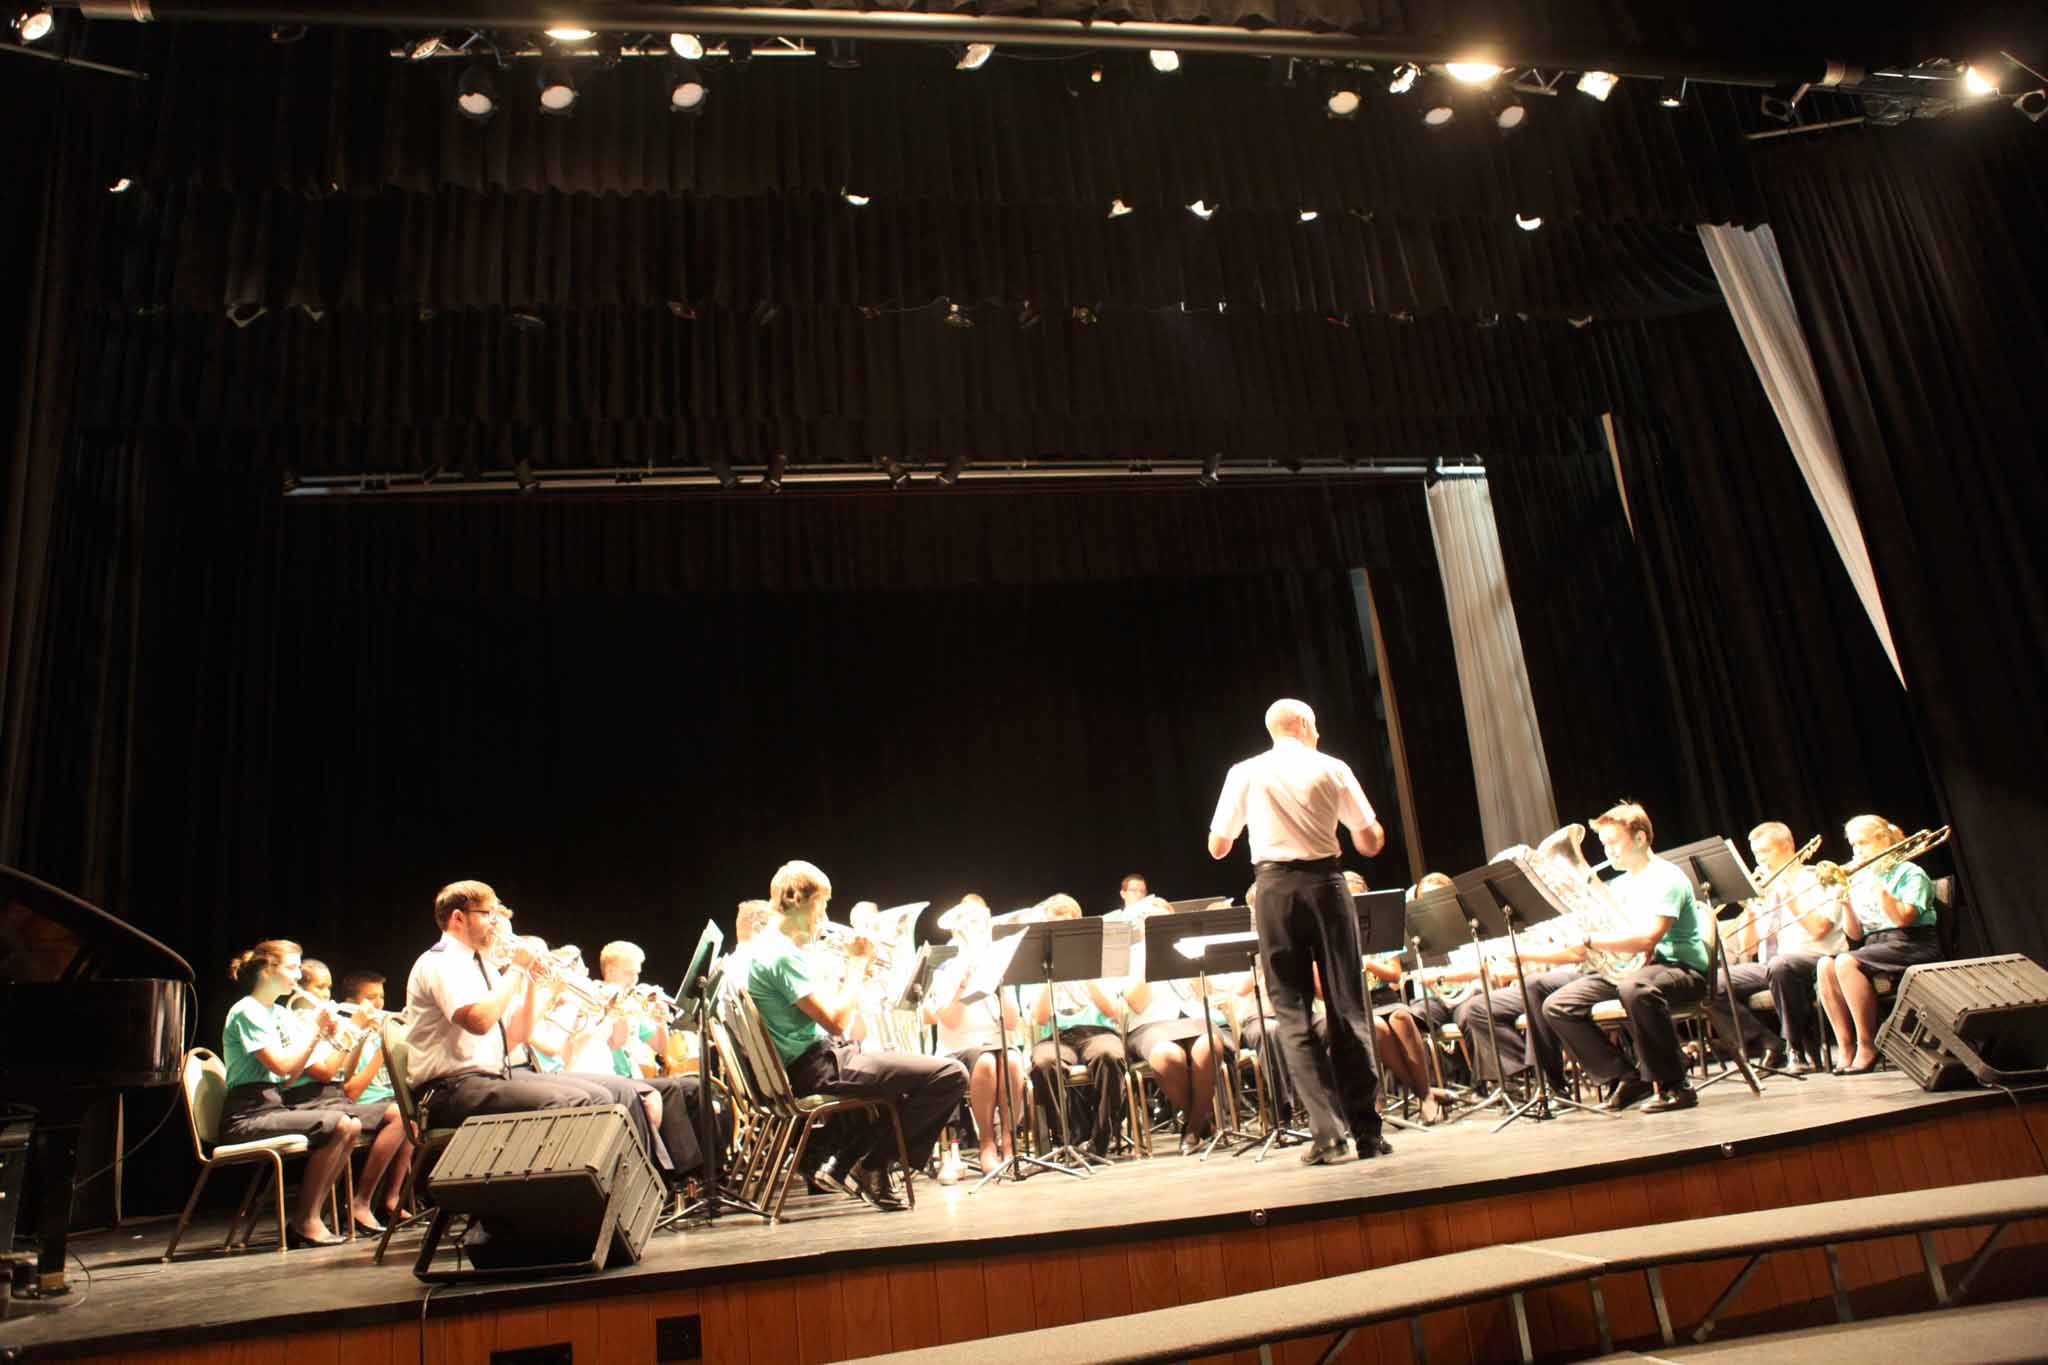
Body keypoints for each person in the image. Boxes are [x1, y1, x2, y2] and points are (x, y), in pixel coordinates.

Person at [1207, 698, 1387, 1166]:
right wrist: (1357, 830)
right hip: (1327, 886)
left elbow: (1218, 847)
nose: (1318, 734)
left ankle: (1327, 1135)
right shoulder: (1332, 767)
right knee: (1348, 1008)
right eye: (1316, 726)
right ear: (1305, 724)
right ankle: (1368, 1132)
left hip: (1274, 891)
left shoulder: (1245, 772)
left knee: (1291, 1013)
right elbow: (1370, 842)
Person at [746, 860, 968, 1209]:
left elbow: (827, 1012)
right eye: (821, 903)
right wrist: (858, 963)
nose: (823, 915)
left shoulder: (766, 948)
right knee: (950, 1074)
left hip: (818, 1059)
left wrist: (850, 973)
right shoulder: (781, 955)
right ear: (796, 899)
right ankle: (873, 1165)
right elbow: (837, 1021)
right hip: (816, 1067)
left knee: (912, 1080)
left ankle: (845, 1162)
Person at [401, 881, 665, 1166]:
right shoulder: (440, 962)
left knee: (608, 1095)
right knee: (571, 1103)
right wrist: (517, 968)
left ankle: (636, 1179)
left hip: (487, 1079)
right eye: (488, 914)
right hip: (448, 1090)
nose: (495, 922)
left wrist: (529, 980)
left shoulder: (482, 965)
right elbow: (479, 1022)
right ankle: (570, 1191)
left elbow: (519, 1033)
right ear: (458, 918)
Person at [1538, 803, 1710, 1113]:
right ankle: (1626, 1077)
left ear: (1640, 839)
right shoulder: (1618, 886)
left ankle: (1676, 1086)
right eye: (1604, 844)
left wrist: (1590, 939)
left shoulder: (1666, 877)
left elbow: (1647, 939)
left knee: (1636, 989)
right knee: (1557, 1005)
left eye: (1613, 843)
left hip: (1679, 967)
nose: (1608, 852)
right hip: (1635, 970)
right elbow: (1608, 932)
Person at [215, 940, 365, 1246]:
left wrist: (322, 1035)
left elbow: (289, 1076)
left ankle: (311, 1215)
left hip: (272, 1104)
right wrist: (315, 1029)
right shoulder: (246, 1010)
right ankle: (305, 1220)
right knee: (339, 1123)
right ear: (267, 969)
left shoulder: (280, 1013)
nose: (298, 976)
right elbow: (281, 1065)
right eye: (292, 968)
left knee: (352, 1125)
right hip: (245, 1113)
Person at [1707, 823, 1840, 1072]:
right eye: (1756, 853)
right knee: (1709, 984)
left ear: (1788, 847)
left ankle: (1795, 1048)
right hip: (1772, 965)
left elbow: (1819, 929)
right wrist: (1749, 908)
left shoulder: (1815, 877)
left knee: (1780, 965)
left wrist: (1785, 892)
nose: (1760, 859)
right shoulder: (1766, 890)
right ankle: (1768, 1043)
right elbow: (1747, 948)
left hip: (1816, 957)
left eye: (1766, 851)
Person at [1817, 815, 1943, 1075]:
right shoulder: (1860, 879)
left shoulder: (1909, 872)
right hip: (1876, 945)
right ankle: (1846, 1046)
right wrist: (1845, 903)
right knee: (1824, 965)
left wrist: (1880, 887)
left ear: (1884, 840)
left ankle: (1868, 1044)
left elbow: (1904, 919)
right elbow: (1855, 934)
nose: (1857, 851)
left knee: (1845, 961)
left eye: (1863, 843)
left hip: (1912, 941)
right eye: (1853, 845)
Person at [1119, 896, 1236, 1154]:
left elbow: (1205, 992)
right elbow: (1137, 1003)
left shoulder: (1187, 948)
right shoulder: (1132, 955)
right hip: (1150, 1024)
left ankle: (1193, 1128)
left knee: (1208, 1046)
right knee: (1166, 1056)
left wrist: (1190, 961)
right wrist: (1152, 953)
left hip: (1194, 1018)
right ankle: (1204, 1125)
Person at [923, 900, 1029, 1174]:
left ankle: (1009, 1141)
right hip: (958, 1047)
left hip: (996, 1042)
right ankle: (986, 1143)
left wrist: (999, 984)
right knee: (986, 1062)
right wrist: (963, 984)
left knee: (1013, 1061)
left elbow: (1012, 1021)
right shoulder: (945, 969)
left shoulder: (998, 967)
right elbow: (950, 1021)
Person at [1025, 894, 1129, 1156]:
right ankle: (1070, 1138)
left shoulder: (1099, 957)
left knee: (1110, 1056)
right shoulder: (1035, 964)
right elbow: (1039, 1017)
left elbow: (1112, 1010)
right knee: (1044, 1064)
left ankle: (1101, 1139)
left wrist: (1082, 969)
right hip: (1056, 1035)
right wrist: (1050, 972)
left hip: (1097, 1031)